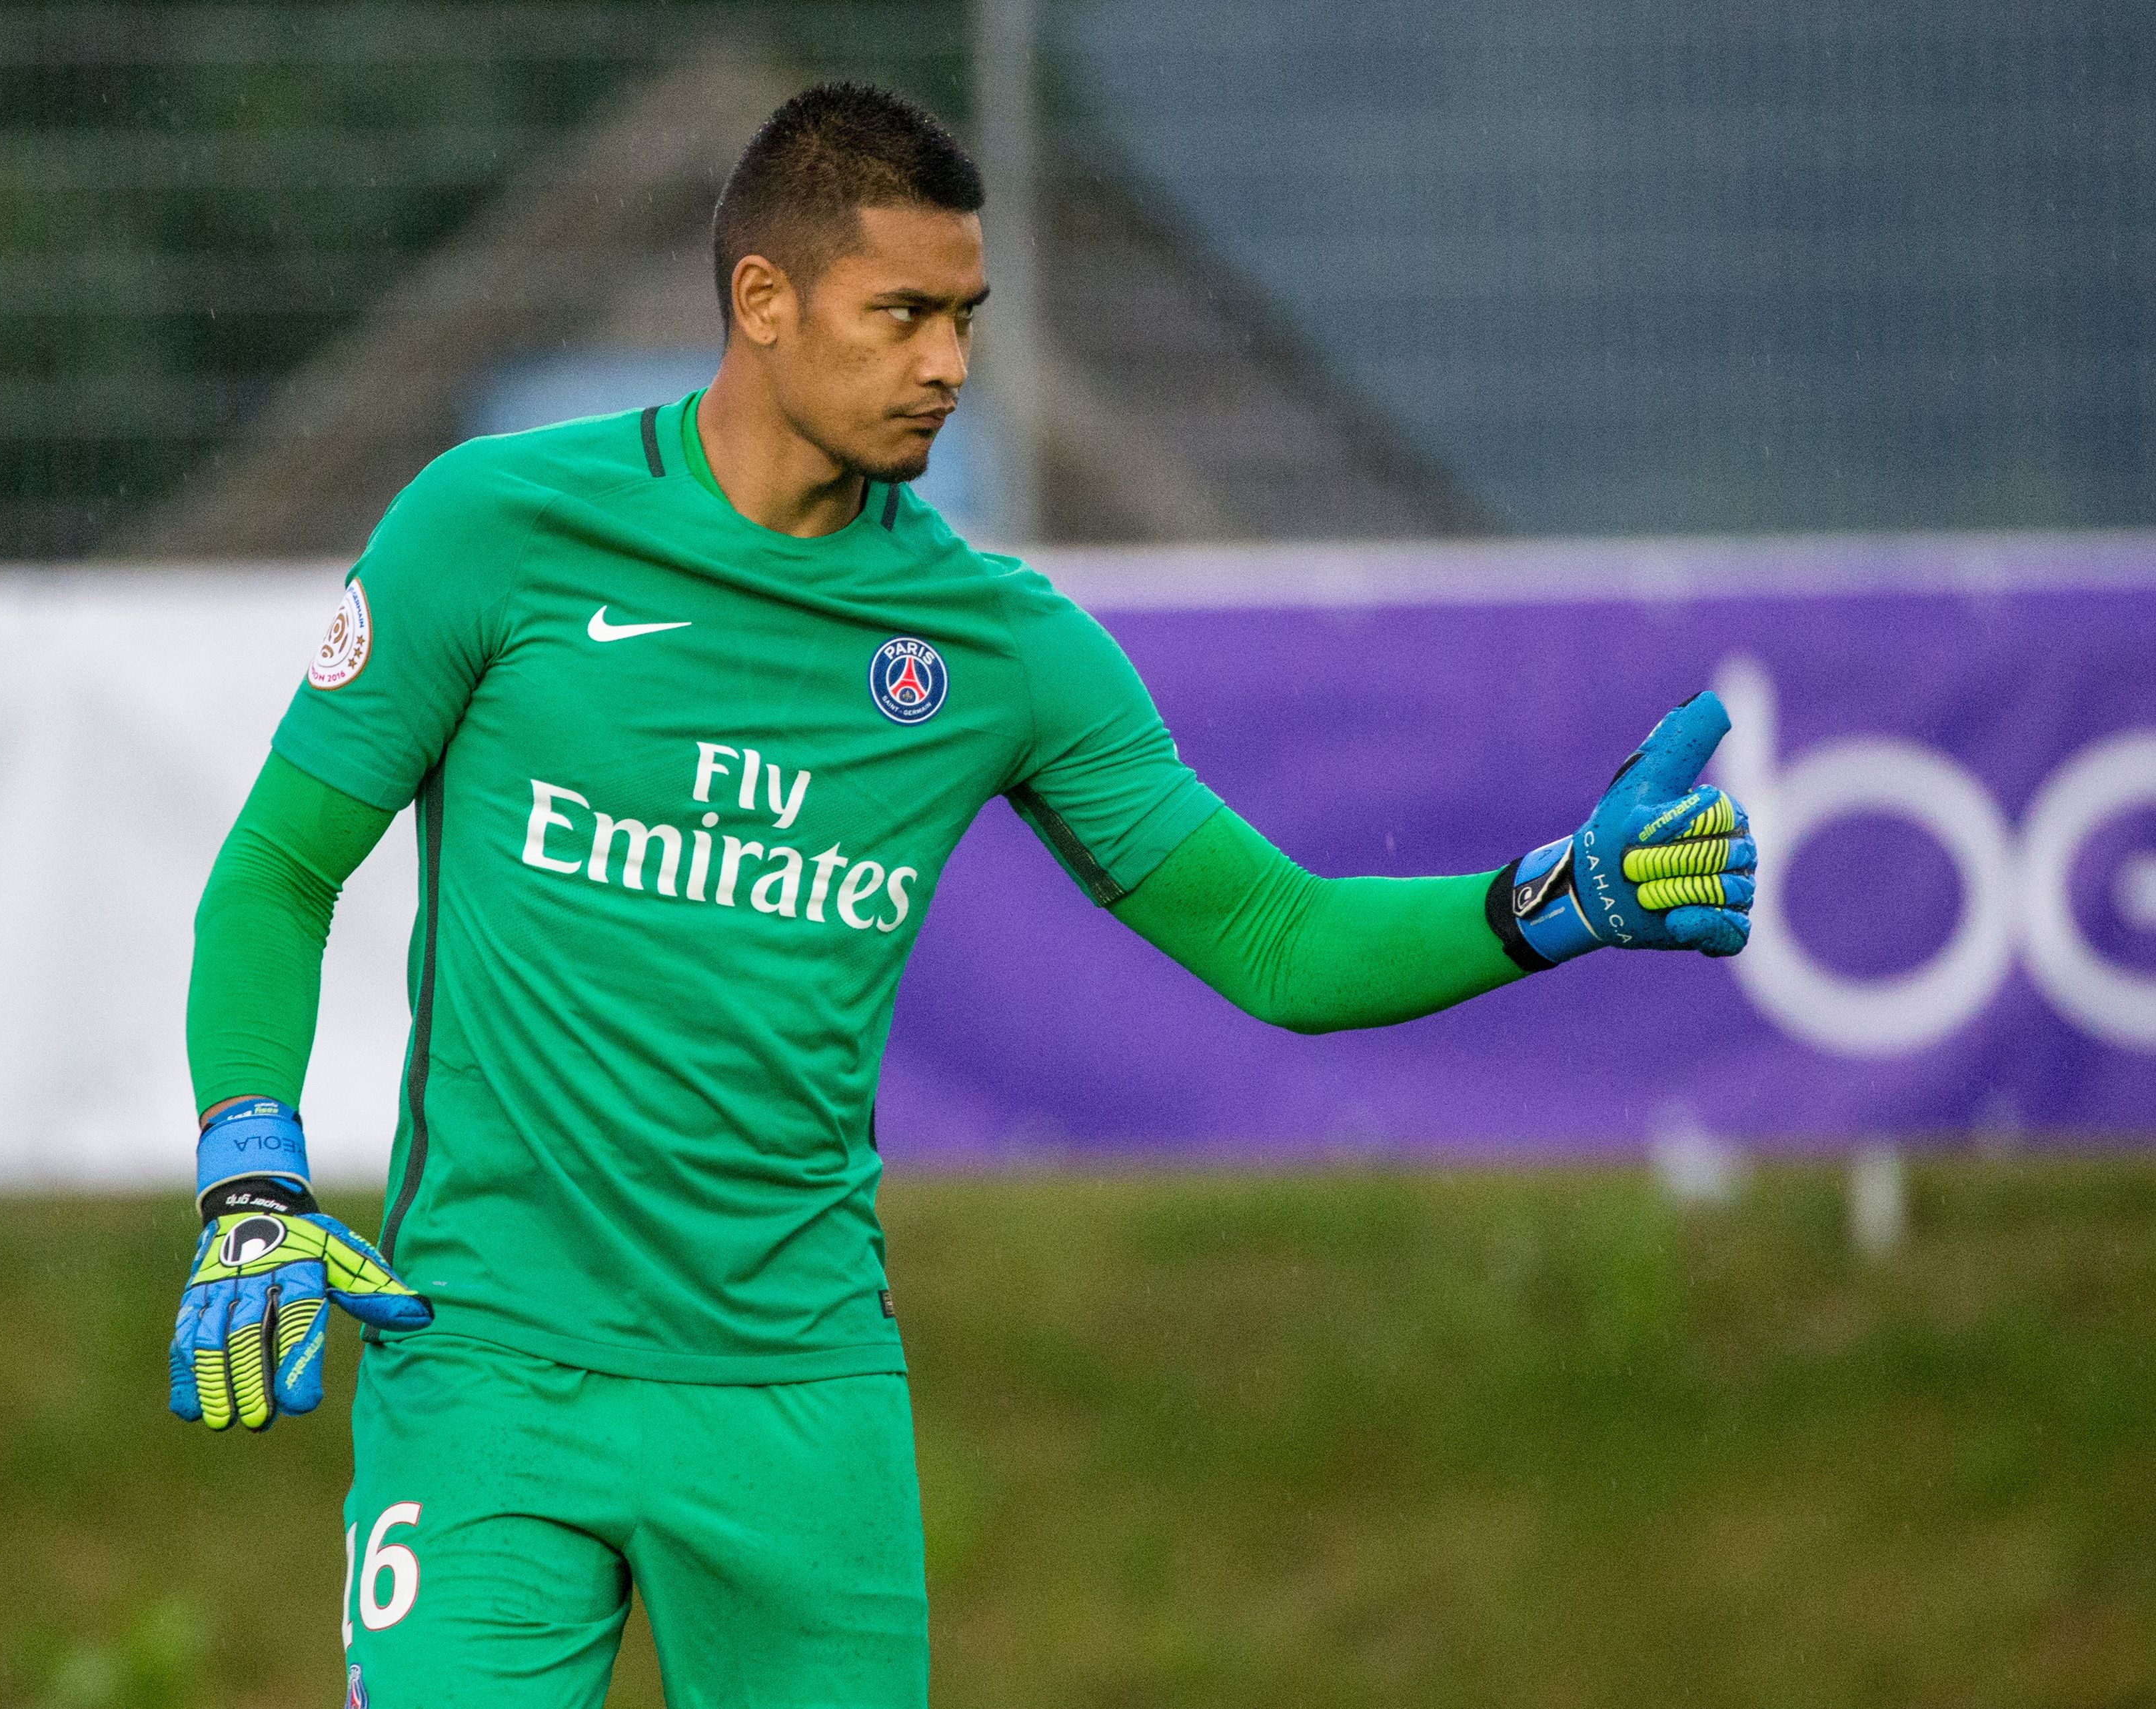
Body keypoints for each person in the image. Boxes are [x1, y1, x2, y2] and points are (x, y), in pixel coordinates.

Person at [172, 81, 1757, 1709]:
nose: (948, 363)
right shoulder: (491, 531)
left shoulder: (1001, 647)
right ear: (764, 304)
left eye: (967, 317)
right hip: (491, 1369)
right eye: (905, 314)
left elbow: (1276, 937)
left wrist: (1552, 899)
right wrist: (248, 1173)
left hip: (799, 1407)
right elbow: (280, 873)